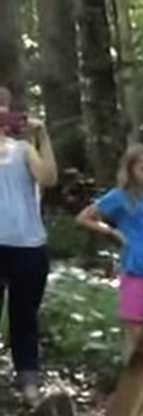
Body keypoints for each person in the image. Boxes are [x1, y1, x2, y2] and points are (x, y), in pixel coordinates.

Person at [78, 144, 143, 362]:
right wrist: (115, 232)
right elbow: (85, 217)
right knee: (135, 325)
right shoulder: (120, 197)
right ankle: (138, 378)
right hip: (136, 269)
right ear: (131, 169)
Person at [0, 86, 56, 398]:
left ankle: (28, 380)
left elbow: (48, 178)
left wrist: (42, 136)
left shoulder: (23, 149)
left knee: (24, 316)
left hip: (27, 245)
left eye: (3, 106)